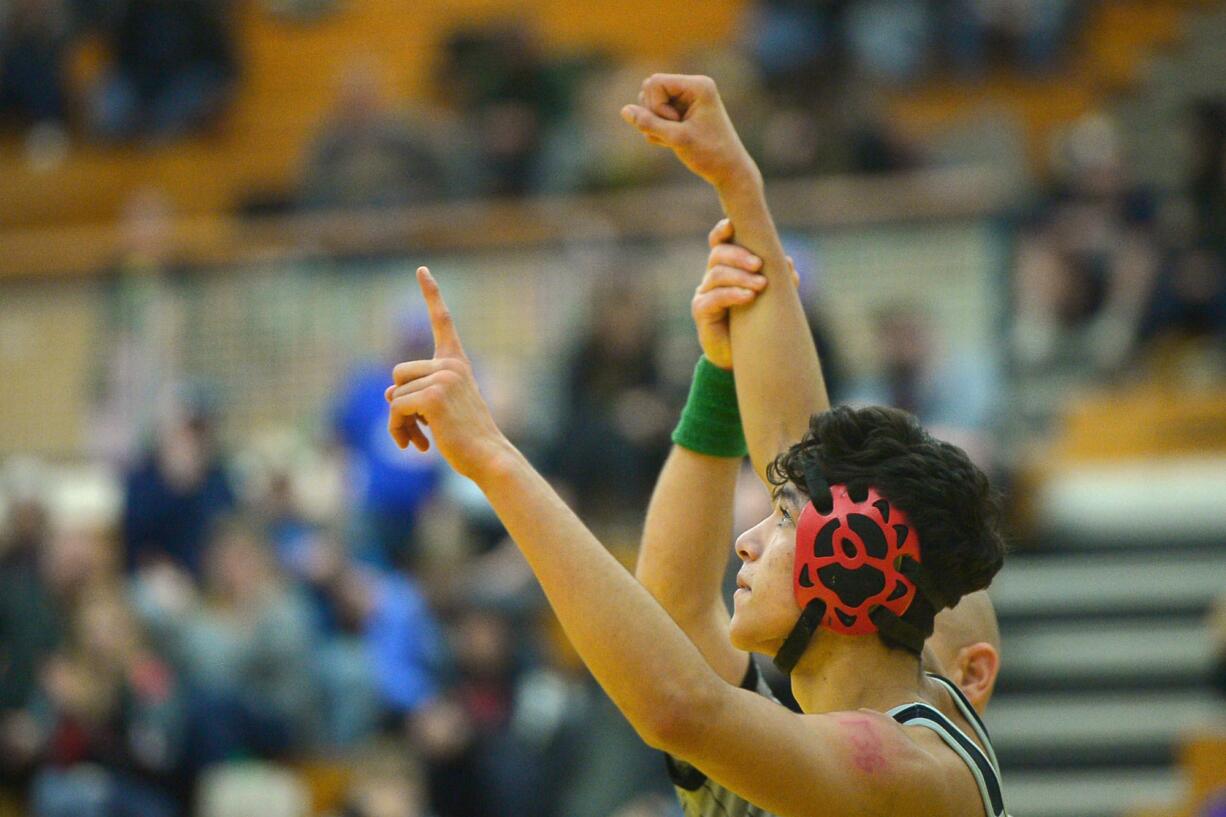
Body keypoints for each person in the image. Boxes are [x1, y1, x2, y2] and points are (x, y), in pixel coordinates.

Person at [385, 73, 1006, 817]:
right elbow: (696, 581)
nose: (746, 542)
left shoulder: (907, 769)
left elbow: (677, 704)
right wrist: (737, 188)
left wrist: (492, 455)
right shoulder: (858, 704)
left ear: (854, 566)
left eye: (780, 522)